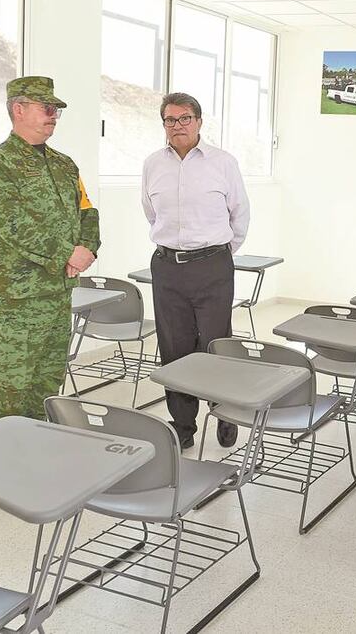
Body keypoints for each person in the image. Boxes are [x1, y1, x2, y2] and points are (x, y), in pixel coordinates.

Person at [0, 76, 100, 424]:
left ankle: (34, 451)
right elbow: (11, 224)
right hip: (21, 297)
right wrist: (66, 254)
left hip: (59, 293)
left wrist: (87, 248)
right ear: (19, 109)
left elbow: (86, 210)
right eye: (46, 108)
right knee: (12, 384)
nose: (53, 115)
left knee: (48, 380)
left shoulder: (64, 165)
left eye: (56, 109)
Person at [141, 92, 251, 451]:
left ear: (199, 122)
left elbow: (239, 215)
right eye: (170, 121)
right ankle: (183, 425)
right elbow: (151, 213)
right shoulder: (153, 164)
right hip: (167, 268)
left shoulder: (223, 163)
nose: (178, 126)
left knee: (216, 343)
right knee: (174, 348)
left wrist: (217, 254)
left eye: (184, 119)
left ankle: (225, 412)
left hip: (213, 266)